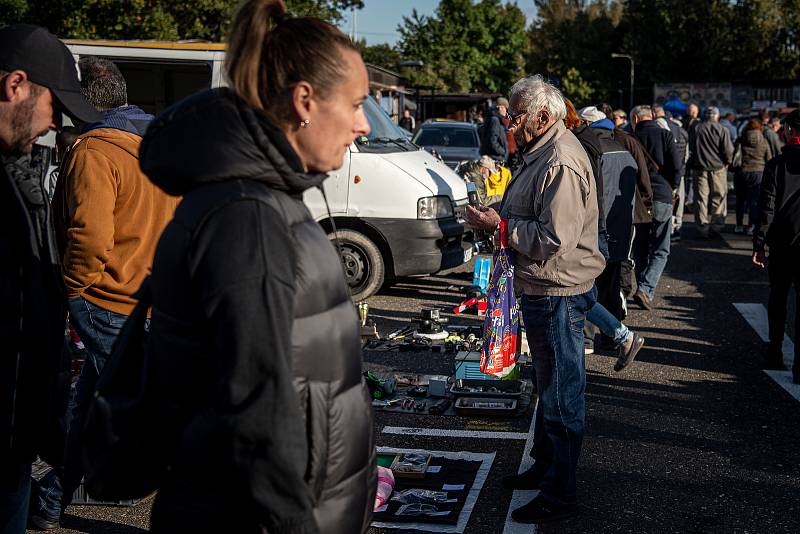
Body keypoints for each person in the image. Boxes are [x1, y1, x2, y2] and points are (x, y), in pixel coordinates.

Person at [138, 1, 376, 532]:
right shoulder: (247, 216)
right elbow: (256, 408)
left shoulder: (261, 200)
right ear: (304, 101)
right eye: (357, 104)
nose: (363, 125)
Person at [29, 57, 181, 530]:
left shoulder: (96, 150)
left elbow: (89, 237)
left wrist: (73, 289)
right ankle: (51, 502)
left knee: (137, 414)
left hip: (109, 300)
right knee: (93, 405)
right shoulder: (156, 139)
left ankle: (180, 510)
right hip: (151, 299)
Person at [466, 75, 604, 523]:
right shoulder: (540, 151)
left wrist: (499, 228)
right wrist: (496, 220)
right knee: (549, 389)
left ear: (543, 116)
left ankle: (560, 494)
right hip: (542, 287)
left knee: (563, 395)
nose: (511, 124)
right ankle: (546, 470)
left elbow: (555, 238)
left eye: (516, 116)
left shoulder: (559, 159)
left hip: (558, 291)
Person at [0, 23, 101, 534]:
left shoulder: (18, 170)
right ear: (14, 86)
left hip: (16, 443)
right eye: (53, 109)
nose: (52, 126)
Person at [752, 108, 800, 384]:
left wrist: (759, 244)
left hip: (781, 243)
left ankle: (775, 349)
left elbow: (766, 207)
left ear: (791, 131)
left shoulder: (777, 164)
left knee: (778, 297)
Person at [631, 105, 681, 310]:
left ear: (635, 118)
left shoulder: (630, 137)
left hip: (639, 198)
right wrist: (673, 185)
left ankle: (642, 285)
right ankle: (645, 288)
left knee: (640, 246)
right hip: (662, 194)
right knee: (661, 248)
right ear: (651, 116)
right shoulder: (665, 135)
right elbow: (677, 165)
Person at [688, 106, 734, 237]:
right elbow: (728, 151)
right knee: (718, 198)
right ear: (717, 116)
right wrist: (727, 162)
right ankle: (716, 226)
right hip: (718, 169)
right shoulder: (722, 129)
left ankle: (702, 227)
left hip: (700, 168)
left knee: (701, 199)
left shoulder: (697, 128)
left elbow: (691, 149)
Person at [735, 117, 772, 235]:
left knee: (740, 200)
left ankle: (739, 225)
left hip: (742, 172)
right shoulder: (764, 141)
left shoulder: (741, 139)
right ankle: (751, 225)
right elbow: (769, 159)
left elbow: (734, 156)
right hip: (758, 173)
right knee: (754, 201)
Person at [480, 96, 508, 162]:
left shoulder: (495, 118)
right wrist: (503, 151)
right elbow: (493, 140)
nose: (506, 111)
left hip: (495, 157)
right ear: (500, 107)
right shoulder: (495, 120)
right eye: (505, 108)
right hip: (495, 158)